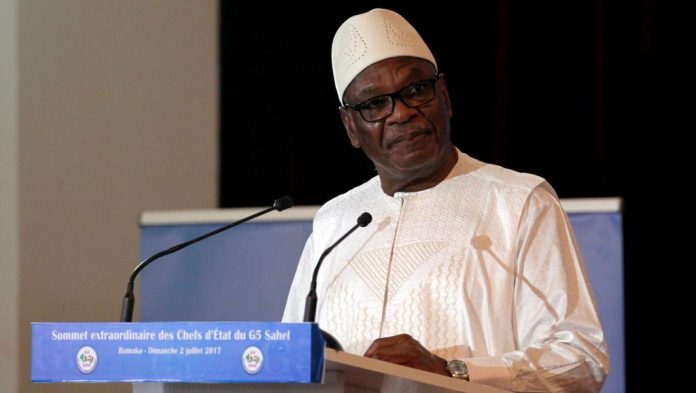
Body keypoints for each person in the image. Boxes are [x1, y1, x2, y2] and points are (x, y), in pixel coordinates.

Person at [283, 8, 608, 392]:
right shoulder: (335, 222)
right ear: (351, 127)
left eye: (416, 90)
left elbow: (580, 359)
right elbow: (288, 360)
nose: (401, 113)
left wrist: (450, 370)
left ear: (445, 96)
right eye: (374, 104)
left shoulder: (519, 202)